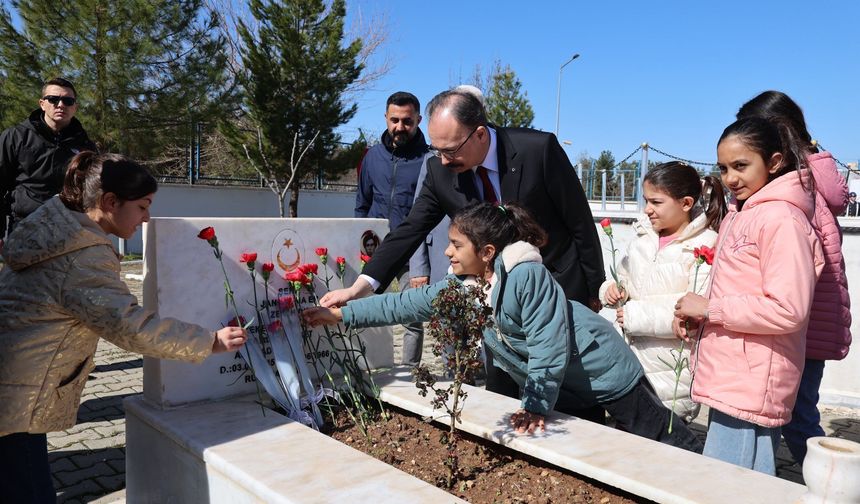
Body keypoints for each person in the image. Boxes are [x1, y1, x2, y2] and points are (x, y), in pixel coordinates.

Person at [306, 202, 702, 452]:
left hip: (603, 371)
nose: (447, 252)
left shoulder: (527, 277)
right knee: (590, 449)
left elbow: (547, 344)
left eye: (456, 245)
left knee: (664, 440)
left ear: (487, 253)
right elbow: (407, 302)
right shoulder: (465, 286)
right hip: (567, 384)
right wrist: (343, 313)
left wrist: (533, 403)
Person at [0, 152, 248, 502]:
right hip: (16, 399)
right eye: (143, 206)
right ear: (109, 202)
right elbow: (129, 326)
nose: (147, 218)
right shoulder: (82, 256)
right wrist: (209, 342)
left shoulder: (56, 228)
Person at [323, 88, 605, 395]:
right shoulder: (439, 171)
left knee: (574, 390)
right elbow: (409, 231)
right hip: (498, 304)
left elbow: (580, 224)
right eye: (437, 149)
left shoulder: (538, 150)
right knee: (505, 394)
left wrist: (594, 289)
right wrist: (357, 288)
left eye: (451, 150)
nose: (443, 161)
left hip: (558, 287)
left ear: (480, 134)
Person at [673, 117, 824, 475]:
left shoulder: (781, 220)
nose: (730, 178)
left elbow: (789, 308)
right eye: (724, 167)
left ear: (773, 162)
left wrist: (712, 309)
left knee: (731, 484)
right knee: (735, 480)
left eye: (741, 166)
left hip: (753, 376)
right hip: (734, 372)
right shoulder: (744, 214)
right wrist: (702, 319)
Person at [737, 90, 852, 465]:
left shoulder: (796, 193)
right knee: (795, 413)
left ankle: (836, 483)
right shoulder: (809, 186)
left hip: (801, 327)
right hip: (811, 325)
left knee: (796, 418)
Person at [599, 162, 726, 423]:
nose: (647, 209)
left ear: (686, 203)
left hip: (671, 370)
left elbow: (694, 311)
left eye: (656, 202)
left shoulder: (705, 245)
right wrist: (611, 291)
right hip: (631, 361)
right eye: (646, 201)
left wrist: (634, 314)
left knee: (664, 434)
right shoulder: (641, 241)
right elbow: (623, 280)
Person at [354, 91, 429, 366]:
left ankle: (411, 373)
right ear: (386, 118)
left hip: (412, 252)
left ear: (418, 120)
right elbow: (361, 204)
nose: (400, 127)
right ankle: (371, 365)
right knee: (366, 310)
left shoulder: (429, 160)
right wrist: (359, 243)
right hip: (377, 251)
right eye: (394, 120)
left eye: (407, 121)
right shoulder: (372, 157)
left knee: (412, 317)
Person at [1, 77, 96, 240]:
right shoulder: (16, 137)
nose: (60, 105)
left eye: (68, 101)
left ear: (75, 107)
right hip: (25, 229)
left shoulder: (86, 146)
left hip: (71, 230)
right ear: (42, 103)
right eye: (53, 99)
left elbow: (95, 192)